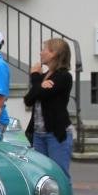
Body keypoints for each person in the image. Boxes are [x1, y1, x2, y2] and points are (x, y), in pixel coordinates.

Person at [24, 37, 74, 175]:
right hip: (38, 134)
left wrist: (35, 76)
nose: (40, 53)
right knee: (42, 175)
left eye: (44, 49)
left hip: (56, 134)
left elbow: (44, 94)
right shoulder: (44, 76)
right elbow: (28, 100)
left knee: (59, 175)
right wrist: (40, 85)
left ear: (54, 53)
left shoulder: (64, 76)